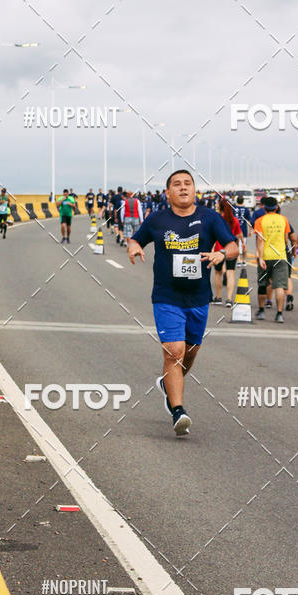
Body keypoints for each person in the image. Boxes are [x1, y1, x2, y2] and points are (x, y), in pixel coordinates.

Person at [127, 169, 238, 435]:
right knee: (174, 351)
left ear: (194, 190)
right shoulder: (157, 219)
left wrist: (222, 254)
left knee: (190, 352)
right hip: (166, 296)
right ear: (168, 193)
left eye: (188, 183)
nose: (183, 187)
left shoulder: (209, 218)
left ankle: (167, 383)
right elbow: (136, 238)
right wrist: (134, 246)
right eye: (177, 184)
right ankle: (178, 410)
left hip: (198, 298)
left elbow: (233, 246)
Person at [254, 197, 289, 322]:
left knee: (263, 284)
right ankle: (279, 314)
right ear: (276, 207)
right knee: (279, 286)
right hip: (280, 256)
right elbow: (286, 239)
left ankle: (261, 311)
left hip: (266, 257)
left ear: (264, 207)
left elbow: (260, 240)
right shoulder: (284, 220)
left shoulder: (260, 221)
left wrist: (260, 257)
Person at [211, 199, 243, 306]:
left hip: (218, 249)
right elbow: (237, 237)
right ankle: (229, 299)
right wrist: (237, 249)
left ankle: (218, 297)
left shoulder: (217, 220)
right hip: (231, 250)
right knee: (230, 272)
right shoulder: (235, 221)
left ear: (220, 208)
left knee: (218, 273)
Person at [234, 195, 252, 262]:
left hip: (235, 230)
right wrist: (251, 230)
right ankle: (244, 260)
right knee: (244, 245)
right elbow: (249, 221)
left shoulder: (233, 208)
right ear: (243, 201)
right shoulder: (246, 210)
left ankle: (238, 260)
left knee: (237, 246)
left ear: (237, 201)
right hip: (243, 229)